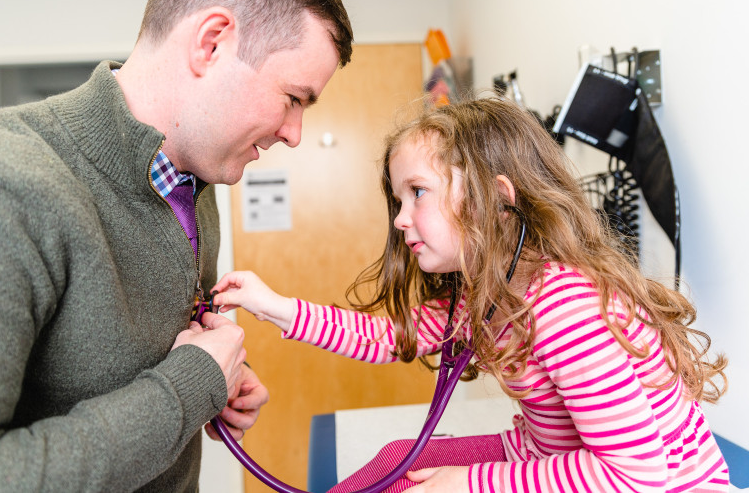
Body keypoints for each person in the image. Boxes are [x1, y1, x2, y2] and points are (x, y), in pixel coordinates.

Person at [0, 0, 352, 491]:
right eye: (294, 98)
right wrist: (192, 384)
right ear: (212, 43)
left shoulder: (196, 187)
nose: (295, 133)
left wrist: (221, 381)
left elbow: (154, 360)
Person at [212, 97, 730, 492]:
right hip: (542, 458)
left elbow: (636, 476)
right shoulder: (491, 294)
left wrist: (469, 483)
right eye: (398, 198)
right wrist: (271, 305)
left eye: (417, 192)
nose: (399, 218)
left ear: (495, 201)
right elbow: (385, 336)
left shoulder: (567, 307)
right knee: (398, 462)